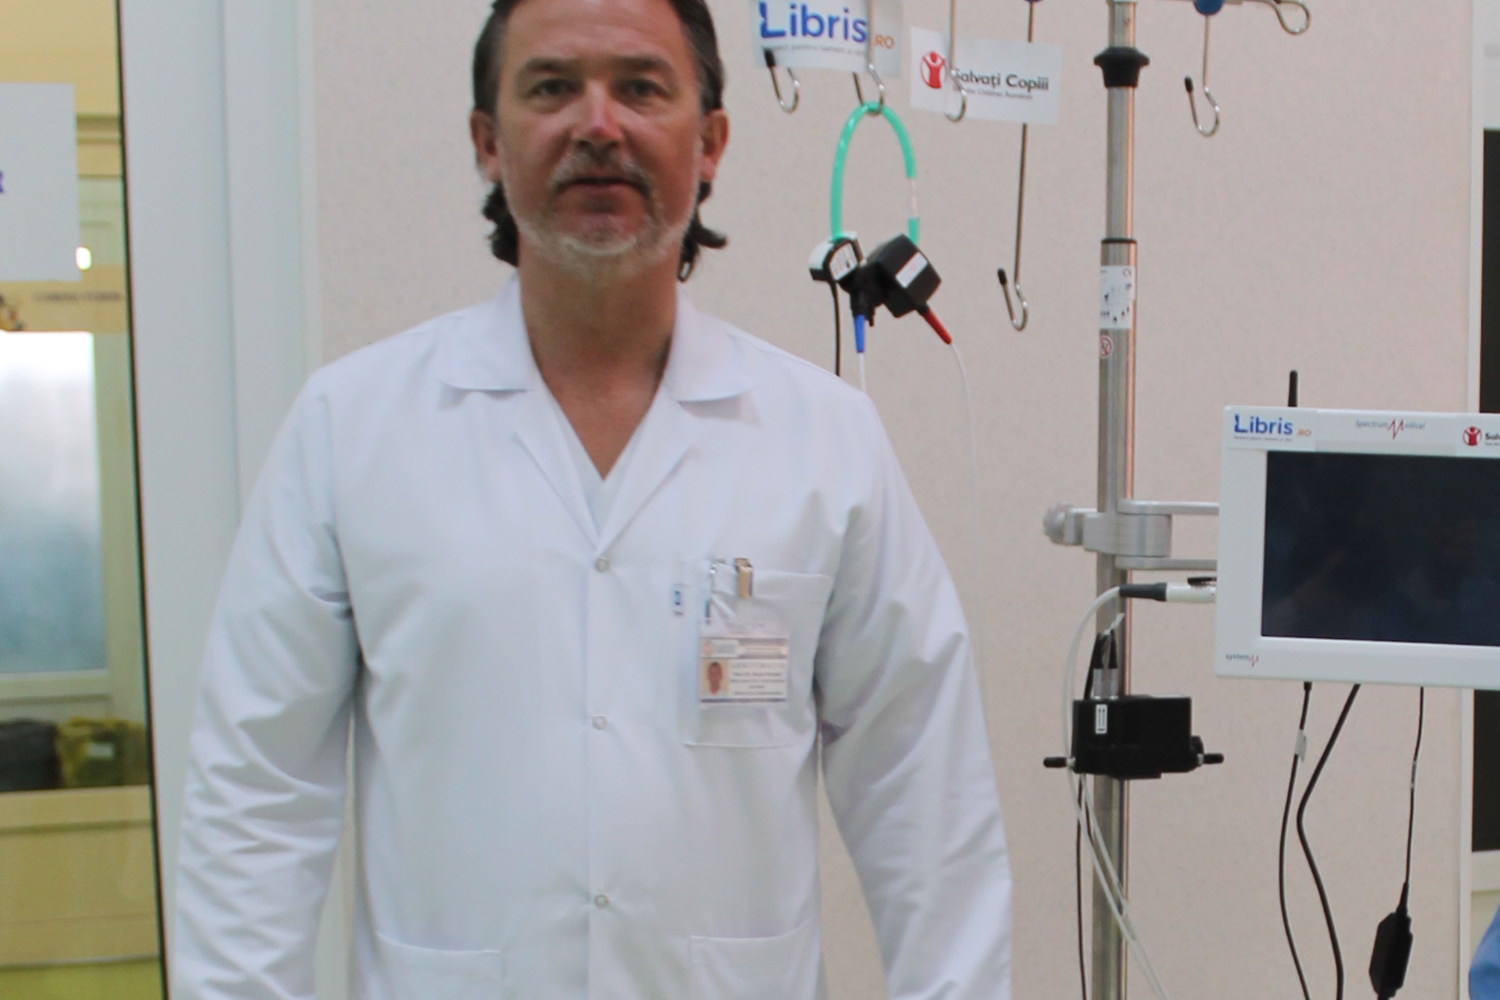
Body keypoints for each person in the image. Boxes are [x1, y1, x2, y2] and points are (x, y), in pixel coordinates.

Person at [171, 0, 1012, 997]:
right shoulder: (350, 429)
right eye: (552, 87)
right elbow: (254, 799)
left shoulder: (825, 442)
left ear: (710, 140)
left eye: (641, 87)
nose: (599, 124)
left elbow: (926, 796)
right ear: (488, 140)